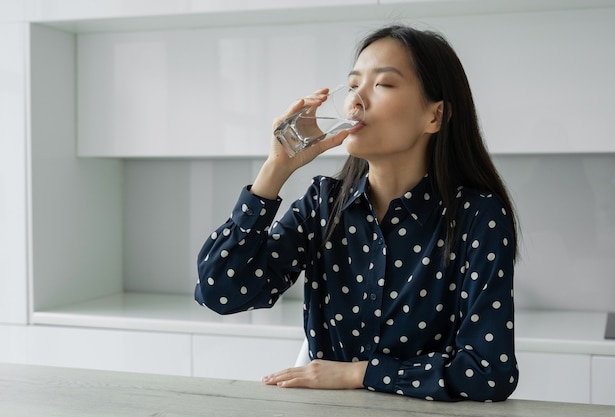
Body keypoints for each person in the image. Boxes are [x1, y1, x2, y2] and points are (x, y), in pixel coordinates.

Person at [195, 24, 519, 402]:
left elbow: (489, 373)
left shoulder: (477, 216)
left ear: (435, 116)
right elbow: (219, 292)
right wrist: (275, 170)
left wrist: (358, 373)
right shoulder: (323, 204)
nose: (355, 100)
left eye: (382, 85)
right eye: (352, 85)